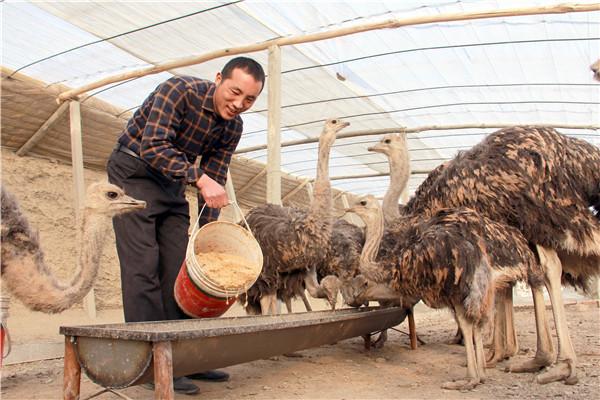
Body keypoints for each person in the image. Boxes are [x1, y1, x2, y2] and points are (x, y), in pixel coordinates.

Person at [107, 56, 265, 395]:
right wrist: (199, 178)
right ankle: (150, 362)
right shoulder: (179, 90)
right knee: (143, 266)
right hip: (133, 171)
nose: (239, 104)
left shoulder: (233, 127)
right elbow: (153, 146)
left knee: (180, 267)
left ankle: (184, 358)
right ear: (219, 78)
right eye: (235, 92)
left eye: (249, 99)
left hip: (171, 180)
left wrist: (205, 235)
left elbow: (216, 179)